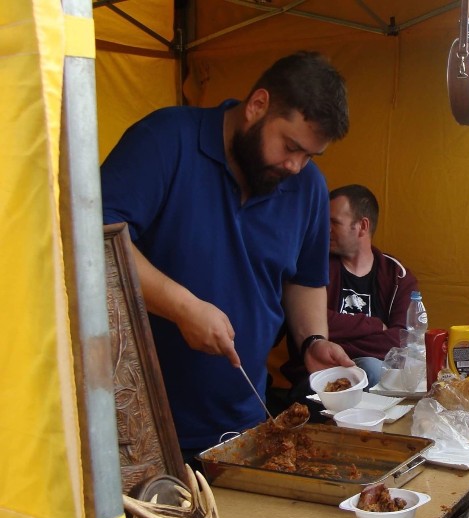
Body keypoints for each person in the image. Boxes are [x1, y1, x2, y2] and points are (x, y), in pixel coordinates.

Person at [100, 51, 354, 460]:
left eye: (310, 155)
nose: (295, 165)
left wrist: (312, 339)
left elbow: (304, 278)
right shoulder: (164, 140)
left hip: (243, 423)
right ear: (257, 106)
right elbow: (97, 237)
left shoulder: (308, 186)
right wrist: (182, 308)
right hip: (138, 427)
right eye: (290, 146)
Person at [326, 184, 418, 386]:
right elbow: (312, 323)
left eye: (334, 222)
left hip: (377, 378)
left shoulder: (398, 276)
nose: (325, 228)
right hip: (320, 372)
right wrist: (375, 326)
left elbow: (402, 341)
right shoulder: (316, 267)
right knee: (371, 368)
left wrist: (337, 342)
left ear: (362, 226)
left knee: (371, 368)